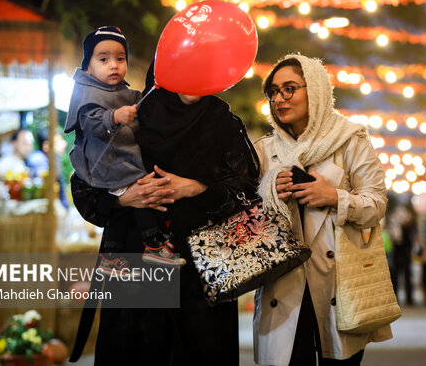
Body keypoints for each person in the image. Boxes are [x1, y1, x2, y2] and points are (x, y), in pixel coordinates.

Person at [68, 59, 260, 365]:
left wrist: (196, 188)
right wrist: (123, 198)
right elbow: (85, 185)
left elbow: (248, 189)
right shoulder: (132, 115)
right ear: (162, 75)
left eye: (200, 71)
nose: (192, 80)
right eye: (183, 70)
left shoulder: (220, 120)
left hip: (202, 272)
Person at [253, 54, 390, 365]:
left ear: (314, 89)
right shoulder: (265, 149)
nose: (279, 99)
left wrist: (334, 197)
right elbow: (250, 218)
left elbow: (377, 204)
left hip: (337, 283)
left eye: (289, 89)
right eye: (273, 91)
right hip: (283, 286)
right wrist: (271, 193)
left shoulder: (350, 140)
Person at [63, 26, 183, 268]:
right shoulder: (87, 93)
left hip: (121, 160)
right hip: (104, 163)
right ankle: (155, 245)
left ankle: (113, 258)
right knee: (141, 191)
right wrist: (114, 116)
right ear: (88, 66)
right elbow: (90, 122)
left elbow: (144, 111)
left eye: (120, 58)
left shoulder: (125, 93)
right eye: (103, 59)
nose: (114, 65)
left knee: (129, 205)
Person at [26, 129, 70, 208]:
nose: (64, 144)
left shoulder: (53, 159)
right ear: (46, 146)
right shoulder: (38, 159)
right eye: (59, 141)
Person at [387, 198, 416, 306]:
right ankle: (407, 299)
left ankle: (399, 298)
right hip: (403, 250)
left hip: (398, 249)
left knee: (397, 275)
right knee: (403, 275)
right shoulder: (409, 218)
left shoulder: (391, 217)